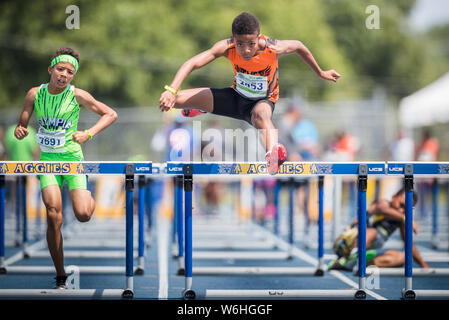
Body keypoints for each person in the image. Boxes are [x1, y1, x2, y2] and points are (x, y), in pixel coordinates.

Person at [159, 12, 340, 174]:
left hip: (261, 102)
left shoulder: (272, 47)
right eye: (240, 44)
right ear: (233, 39)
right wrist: (171, 90)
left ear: (258, 38)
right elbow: (192, 63)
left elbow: (300, 46)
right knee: (175, 100)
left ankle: (273, 155)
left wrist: (320, 72)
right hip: (235, 97)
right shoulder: (226, 47)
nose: (246, 50)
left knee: (261, 116)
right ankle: (201, 107)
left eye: (251, 44)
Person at [14, 47, 118, 289]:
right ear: (51, 69)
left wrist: (88, 133)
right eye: (60, 69)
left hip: (72, 160)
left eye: (70, 72)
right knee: (53, 214)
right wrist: (21, 129)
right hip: (48, 161)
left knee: (83, 214)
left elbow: (110, 114)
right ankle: (60, 273)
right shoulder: (34, 94)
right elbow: (24, 119)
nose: (64, 75)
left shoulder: (77, 95)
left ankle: (87, 195)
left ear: (73, 76)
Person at [328, 188, 430, 271]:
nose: (402, 210)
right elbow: (383, 209)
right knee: (373, 232)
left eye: (406, 208)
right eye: (402, 204)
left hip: (367, 251)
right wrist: (406, 218)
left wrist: (423, 265)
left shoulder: (401, 219)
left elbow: (409, 244)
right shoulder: (382, 203)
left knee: (401, 258)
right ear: (393, 197)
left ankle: (356, 265)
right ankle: (352, 256)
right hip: (346, 243)